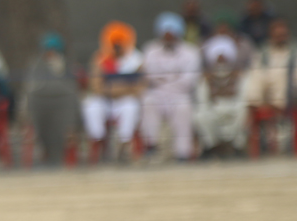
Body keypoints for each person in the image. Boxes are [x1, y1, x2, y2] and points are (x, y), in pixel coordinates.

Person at [141, 12, 201, 160]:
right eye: (165, 35)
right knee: (148, 101)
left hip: (180, 95)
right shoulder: (150, 49)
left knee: (183, 108)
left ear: (178, 34)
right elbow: (149, 77)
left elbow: (189, 81)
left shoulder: (191, 52)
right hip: (157, 94)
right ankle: (151, 146)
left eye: (171, 35)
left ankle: (182, 153)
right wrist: (174, 78)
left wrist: (164, 80)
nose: (168, 38)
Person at [81, 21, 144, 161]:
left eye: (120, 43)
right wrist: (124, 87)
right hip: (105, 100)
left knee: (131, 106)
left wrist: (112, 88)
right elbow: (96, 87)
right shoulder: (100, 58)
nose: (117, 47)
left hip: (124, 101)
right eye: (114, 43)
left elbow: (139, 87)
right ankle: (98, 144)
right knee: (91, 105)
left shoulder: (136, 60)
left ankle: (124, 145)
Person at [25, 32, 79, 165]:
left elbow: (71, 88)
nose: (50, 53)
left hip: (62, 104)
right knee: (35, 115)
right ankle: (42, 146)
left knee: (69, 113)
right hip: (41, 104)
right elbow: (31, 87)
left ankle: (67, 142)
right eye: (48, 50)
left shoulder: (66, 65)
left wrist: (58, 68)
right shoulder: (36, 64)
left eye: (53, 50)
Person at [244, 18, 297, 152]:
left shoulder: (293, 52)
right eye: (277, 35)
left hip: (290, 92)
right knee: (255, 76)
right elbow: (258, 74)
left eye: (283, 35)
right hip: (266, 93)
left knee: (281, 75)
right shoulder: (264, 52)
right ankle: (253, 108)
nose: (280, 38)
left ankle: (275, 107)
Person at [194, 34, 246, 157]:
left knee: (244, 112)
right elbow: (202, 100)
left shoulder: (239, 75)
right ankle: (211, 147)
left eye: (224, 58)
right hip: (213, 109)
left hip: (233, 108)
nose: (221, 61)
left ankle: (237, 148)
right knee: (199, 115)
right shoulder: (205, 78)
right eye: (218, 58)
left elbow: (243, 97)